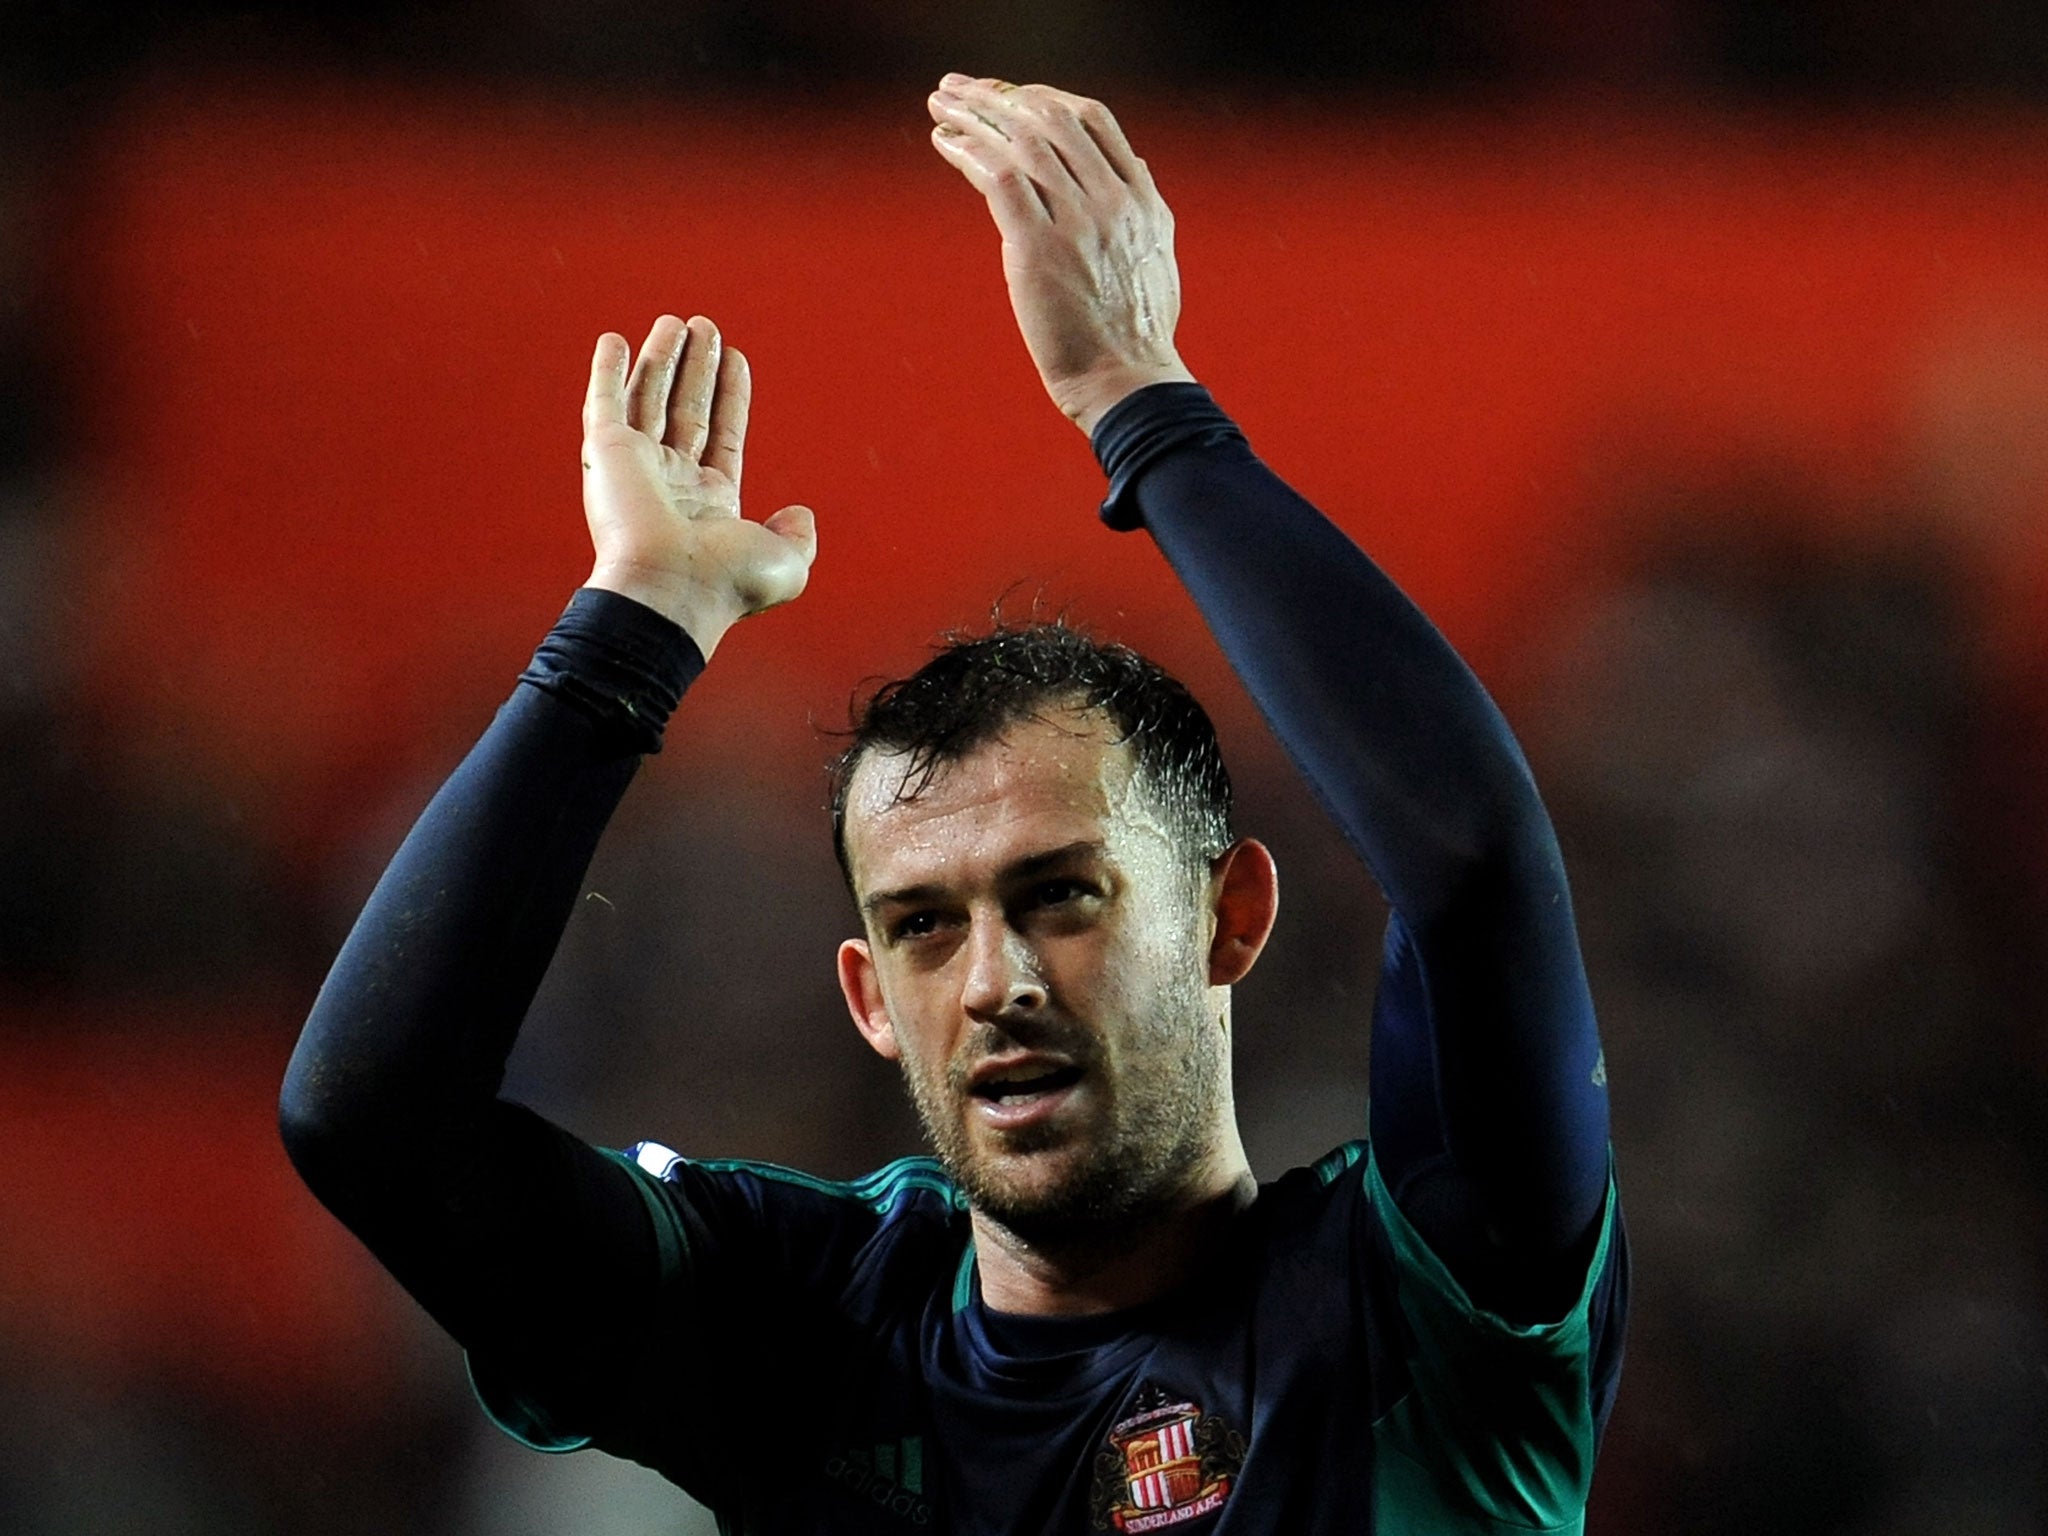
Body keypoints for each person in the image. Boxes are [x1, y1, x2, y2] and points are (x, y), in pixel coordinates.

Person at [281, 75, 1626, 1532]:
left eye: (1061, 894)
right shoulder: (804, 1329)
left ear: (1229, 914)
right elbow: (373, 1126)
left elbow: (1473, 864)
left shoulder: (1426, 1295)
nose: (997, 982)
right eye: (925, 926)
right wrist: (631, 626)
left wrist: (1142, 404)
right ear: (866, 996)